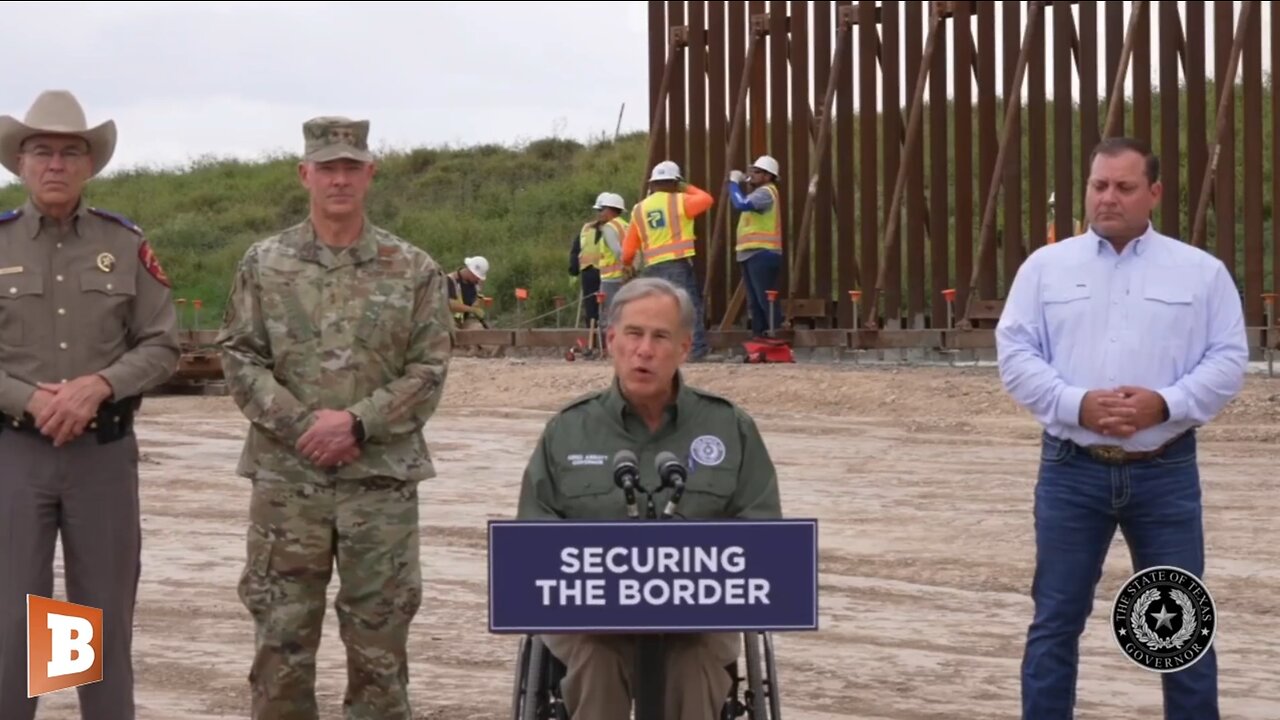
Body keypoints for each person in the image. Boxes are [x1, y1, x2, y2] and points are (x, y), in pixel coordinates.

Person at [995, 136, 1248, 720]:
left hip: (1164, 471)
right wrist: (1073, 403)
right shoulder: (1045, 269)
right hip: (1070, 471)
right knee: (1055, 621)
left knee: (1176, 623)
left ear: (1154, 193)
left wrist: (1166, 403)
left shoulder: (1199, 273)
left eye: (1124, 187)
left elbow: (1228, 359)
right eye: (1099, 185)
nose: (1108, 198)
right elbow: (1016, 353)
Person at [215, 115, 454, 720]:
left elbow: (429, 368)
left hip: (380, 484)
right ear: (305, 175)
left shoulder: (413, 268)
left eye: (351, 167)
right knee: (281, 639)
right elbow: (240, 357)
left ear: (370, 174)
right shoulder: (264, 263)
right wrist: (303, 427)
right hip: (287, 485)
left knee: (380, 641)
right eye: (327, 168)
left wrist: (356, 423)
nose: (339, 179)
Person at [515, 276, 783, 718]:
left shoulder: (729, 428)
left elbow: (764, 535)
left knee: (692, 663)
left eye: (661, 337)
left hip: (698, 620)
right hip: (589, 621)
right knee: (596, 660)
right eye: (634, 334)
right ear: (611, 340)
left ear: (684, 348)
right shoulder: (568, 430)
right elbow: (531, 539)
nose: (645, 350)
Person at [0, 89, 181, 720]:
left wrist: (98, 386)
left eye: (69, 152)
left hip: (100, 457)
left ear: (88, 164)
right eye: (42, 150)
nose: (55, 163)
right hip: (14, 455)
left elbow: (162, 345)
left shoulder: (124, 244)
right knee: (14, 621)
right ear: (21, 162)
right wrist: (28, 399)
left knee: (94, 617)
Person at [621, 160, 716, 361]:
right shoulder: (681, 201)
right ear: (675, 183)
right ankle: (696, 351)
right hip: (677, 265)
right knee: (688, 308)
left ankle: (658, 352)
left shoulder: (639, 209)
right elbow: (706, 199)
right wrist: (685, 186)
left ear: (652, 184)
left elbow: (628, 248)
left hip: (652, 269)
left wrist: (627, 264)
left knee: (657, 312)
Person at [728, 155, 784, 337]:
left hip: (762, 253)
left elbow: (741, 204)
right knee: (756, 301)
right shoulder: (760, 192)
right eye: (752, 171)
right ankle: (760, 337)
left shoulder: (766, 193)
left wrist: (733, 183)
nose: (752, 175)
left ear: (768, 176)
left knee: (765, 299)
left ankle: (774, 335)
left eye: (757, 172)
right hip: (750, 254)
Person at [569, 191, 629, 349]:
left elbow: (618, 252)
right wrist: (573, 270)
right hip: (591, 272)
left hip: (610, 275)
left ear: (610, 210)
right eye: (598, 210)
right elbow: (576, 249)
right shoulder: (589, 228)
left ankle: (609, 347)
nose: (599, 213)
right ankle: (595, 344)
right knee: (594, 311)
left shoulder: (611, 228)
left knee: (607, 313)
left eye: (601, 210)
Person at [447, 255, 489, 329]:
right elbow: (451, 304)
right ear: (470, 271)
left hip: (466, 320)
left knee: (477, 329)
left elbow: (475, 300)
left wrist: (479, 304)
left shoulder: (475, 284)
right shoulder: (450, 280)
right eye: (477, 277)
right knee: (453, 332)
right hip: (448, 321)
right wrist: (472, 310)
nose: (478, 280)